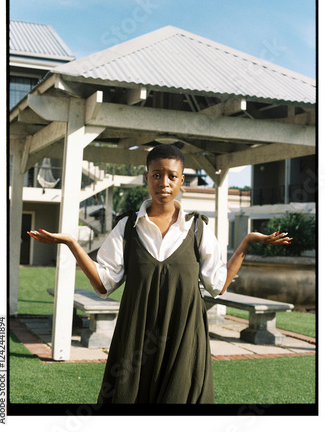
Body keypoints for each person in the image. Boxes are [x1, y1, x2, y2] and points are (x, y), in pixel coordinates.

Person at [28, 144, 292, 404]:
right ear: (147, 177)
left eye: (171, 176)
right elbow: (102, 285)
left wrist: (246, 242)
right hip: (135, 344)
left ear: (181, 181)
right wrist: (73, 243)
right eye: (156, 174)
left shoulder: (197, 228)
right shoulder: (128, 227)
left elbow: (218, 285)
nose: (163, 182)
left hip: (184, 343)